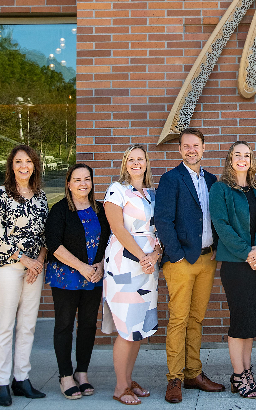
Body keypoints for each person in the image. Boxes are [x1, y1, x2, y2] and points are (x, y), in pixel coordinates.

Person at [153, 128, 225, 404]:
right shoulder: (172, 179)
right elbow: (163, 220)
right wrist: (177, 255)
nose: (191, 150)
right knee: (179, 320)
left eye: (196, 145)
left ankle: (193, 372)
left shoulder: (212, 180)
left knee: (196, 319)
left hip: (207, 260)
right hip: (181, 261)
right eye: (186, 146)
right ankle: (175, 378)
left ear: (204, 148)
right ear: (180, 150)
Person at [0, 145, 48, 406]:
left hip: (34, 269)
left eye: (29, 161)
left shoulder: (41, 197)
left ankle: (21, 379)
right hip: (7, 268)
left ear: (35, 165)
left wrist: (38, 263)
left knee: (28, 325)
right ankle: (2, 382)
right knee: (5, 325)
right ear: (11, 166)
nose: (24, 166)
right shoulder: (0, 194)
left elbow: (46, 235)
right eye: (18, 162)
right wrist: (25, 260)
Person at [210, 141, 256, 399]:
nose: (242, 159)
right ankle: (238, 374)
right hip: (236, 264)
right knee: (240, 321)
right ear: (230, 158)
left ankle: (247, 371)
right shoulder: (220, 188)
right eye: (238, 155)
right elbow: (221, 226)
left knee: (251, 322)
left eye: (247, 155)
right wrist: (247, 252)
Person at [45, 164, 110, 399]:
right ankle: (65, 376)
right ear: (69, 183)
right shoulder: (60, 210)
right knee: (64, 326)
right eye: (77, 179)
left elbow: (108, 240)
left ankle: (82, 373)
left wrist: (100, 265)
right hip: (67, 277)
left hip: (94, 276)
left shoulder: (100, 209)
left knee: (87, 325)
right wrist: (82, 267)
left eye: (87, 179)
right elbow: (53, 244)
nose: (83, 183)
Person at [102, 145, 160, 405]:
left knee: (139, 327)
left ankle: (128, 379)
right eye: (131, 159)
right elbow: (118, 228)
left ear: (147, 163)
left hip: (148, 268)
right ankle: (119, 387)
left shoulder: (152, 194)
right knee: (126, 326)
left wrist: (154, 257)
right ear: (125, 163)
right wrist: (142, 256)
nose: (136, 163)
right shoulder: (116, 190)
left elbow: (159, 232)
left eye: (141, 159)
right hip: (123, 267)